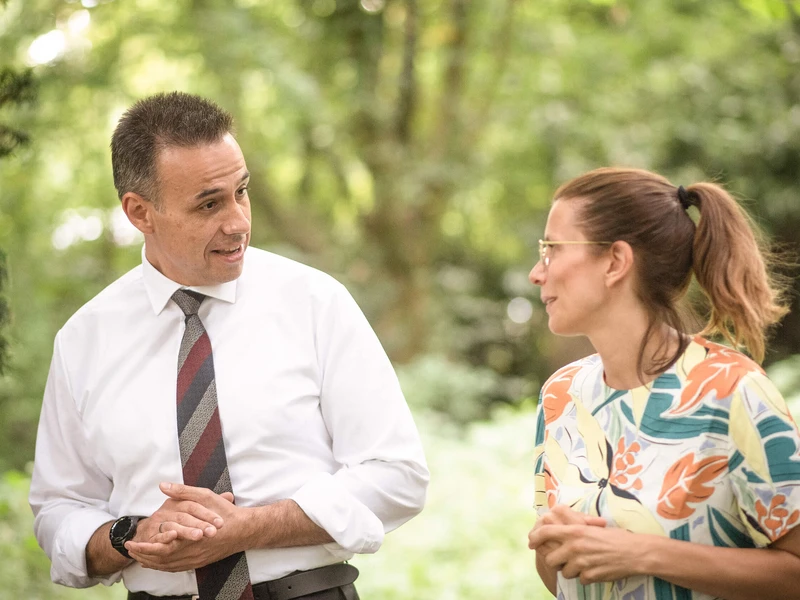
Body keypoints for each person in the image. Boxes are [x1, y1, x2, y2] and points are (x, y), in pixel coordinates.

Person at [29, 92, 429, 600]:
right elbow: (58, 509)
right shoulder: (83, 341)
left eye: (242, 191)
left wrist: (249, 528)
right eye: (209, 204)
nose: (238, 222)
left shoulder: (315, 302)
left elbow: (397, 476)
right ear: (140, 213)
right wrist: (129, 536)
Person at [526, 167, 800, 600]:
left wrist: (643, 554)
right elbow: (558, 579)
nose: (536, 274)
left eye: (552, 249)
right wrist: (556, 544)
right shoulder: (560, 395)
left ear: (616, 262)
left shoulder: (732, 391)